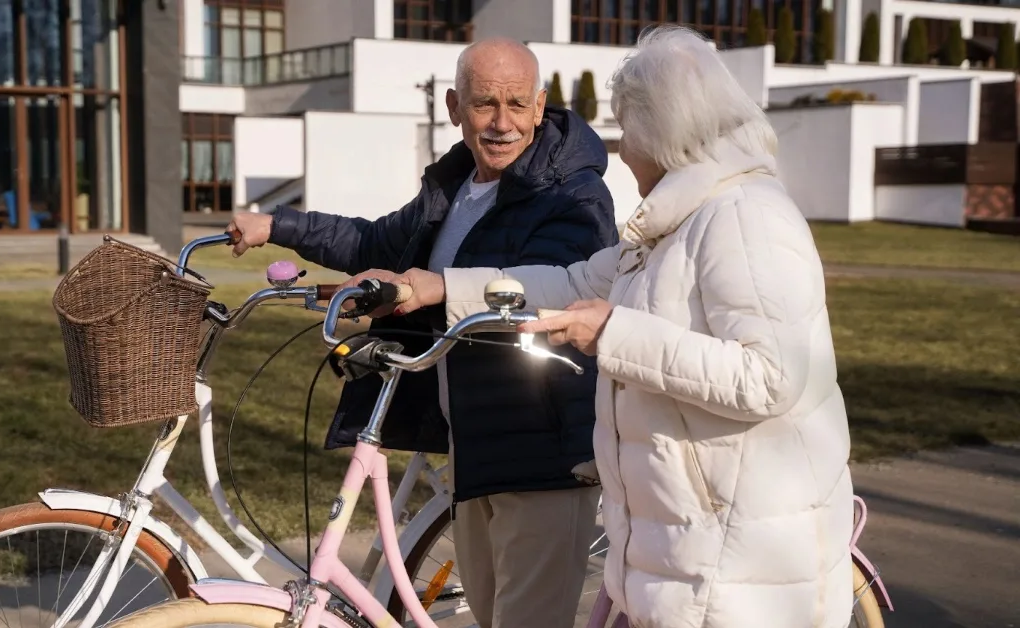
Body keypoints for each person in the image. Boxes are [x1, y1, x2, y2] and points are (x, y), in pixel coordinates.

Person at [338, 25, 855, 628]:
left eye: (628, 130)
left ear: (666, 129)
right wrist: (443, 287)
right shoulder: (673, 224)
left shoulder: (744, 218)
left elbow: (771, 377)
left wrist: (616, 336)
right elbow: (575, 284)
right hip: (686, 534)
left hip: (741, 546)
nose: (622, 149)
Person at [226, 38, 618, 628]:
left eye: (517, 104)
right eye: (485, 104)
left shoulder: (572, 193)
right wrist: (277, 224)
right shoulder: (457, 187)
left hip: (544, 453)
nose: (502, 123)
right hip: (474, 448)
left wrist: (429, 289)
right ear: (455, 106)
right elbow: (374, 242)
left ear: (541, 107)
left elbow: (547, 291)